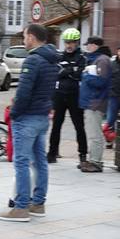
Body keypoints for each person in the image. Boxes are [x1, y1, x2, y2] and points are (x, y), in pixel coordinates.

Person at [0, 24, 59, 221]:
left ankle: (21, 207)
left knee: (21, 161)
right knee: (40, 161)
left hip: (27, 118)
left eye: (24, 36)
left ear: (31, 37)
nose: (24, 40)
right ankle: (38, 203)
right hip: (42, 116)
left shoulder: (33, 60)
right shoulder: (52, 60)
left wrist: (14, 113)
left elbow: (24, 91)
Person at [48, 28, 88, 165]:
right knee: (56, 126)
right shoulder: (60, 56)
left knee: (79, 126)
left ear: (77, 43)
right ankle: (52, 153)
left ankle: (83, 154)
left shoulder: (82, 58)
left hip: (75, 95)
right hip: (59, 95)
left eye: (71, 42)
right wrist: (70, 70)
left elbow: (80, 74)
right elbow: (56, 73)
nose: (68, 45)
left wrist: (67, 70)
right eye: (66, 42)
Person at [78, 36, 112, 173]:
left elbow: (101, 82)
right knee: (92, 132)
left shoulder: (102, 60)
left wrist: (86, 75)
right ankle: (92, 160)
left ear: (95, 45)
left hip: (95, 102)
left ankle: (96, 162)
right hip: (92, 101)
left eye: (89, 45)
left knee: (95, 133)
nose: (87, 47)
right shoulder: (97, 59)